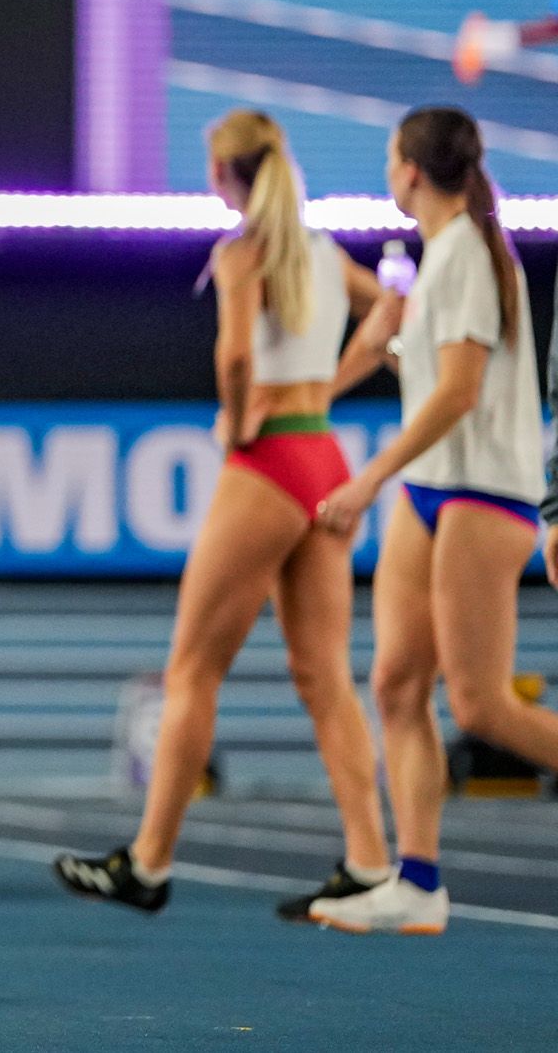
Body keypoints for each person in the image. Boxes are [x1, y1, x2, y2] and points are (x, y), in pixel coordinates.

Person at [54, 111, 394, 918]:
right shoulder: (321, 252)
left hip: (270, 459)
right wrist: (333, 387)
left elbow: (236, 353)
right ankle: (372, 860)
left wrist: (239, 418)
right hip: (322, 455)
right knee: (325, 677)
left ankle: (149, 860)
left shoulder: (244, 251)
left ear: (220, 174)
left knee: (191, 672)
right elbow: (395, 316)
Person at [302, 108, 558, 935]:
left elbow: (461, 391)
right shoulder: (442, 257)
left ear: (412, 170)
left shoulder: (472, 254)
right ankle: (417, 880)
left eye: (389, 159)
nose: (386, 172)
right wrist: (351, 372)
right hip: (432, 485)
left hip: (482, 490)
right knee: (396, 684)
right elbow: (432, 368)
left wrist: (369, 476)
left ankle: (415, 879)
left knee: (481, 707)